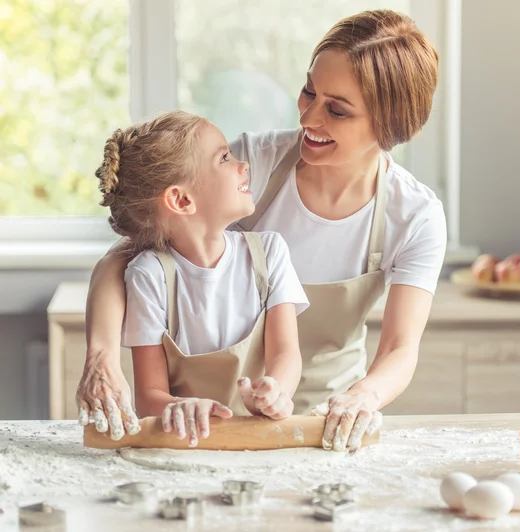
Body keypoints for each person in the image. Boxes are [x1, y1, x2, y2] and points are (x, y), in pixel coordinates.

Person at [77, 9, 447, 452]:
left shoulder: (415, 216)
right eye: (309, 91)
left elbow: (399, 350)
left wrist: (362, 397)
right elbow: (126, 254)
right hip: (227, 420)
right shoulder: (258, 164)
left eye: (337, 110)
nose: (308, 119)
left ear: (390, 126)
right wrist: (101, 354)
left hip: (326, 422)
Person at [86, 110, 308, 446]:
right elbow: (149, 396)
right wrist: (180, 407)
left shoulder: (269, 253)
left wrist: (276, 390)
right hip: (186, 445)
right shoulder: (149, 276)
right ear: (181, 199)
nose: (243, 164)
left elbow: (286, 354)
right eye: (224, 158)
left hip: (261, 440)